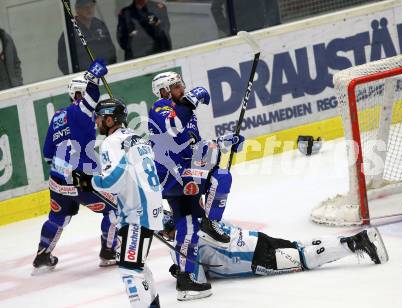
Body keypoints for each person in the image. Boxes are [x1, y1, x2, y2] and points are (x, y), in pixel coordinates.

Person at [148, 71, 245, 300]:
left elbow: (195, 145)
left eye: (181, 83)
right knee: (220, 177)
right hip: (173, 174)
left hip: (184, 174)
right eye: (176, 86)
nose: (182, 88)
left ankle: (187, 280)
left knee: (188, 225)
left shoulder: (186, 112)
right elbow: (172, 127)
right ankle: (211, 222)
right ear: (163, 91)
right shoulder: (161, 107)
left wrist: (222, 142)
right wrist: (190, 102)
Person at [32, 60, 117, 275]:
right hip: (82, 180)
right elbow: (92, 95)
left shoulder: (58, 116)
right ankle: (108, 252)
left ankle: (43, 254)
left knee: (57, 217)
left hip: (57, 180)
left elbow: (47, 153)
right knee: (116, 210)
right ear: (78, 95)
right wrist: (93, 76)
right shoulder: (83, 112)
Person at [78, 98, 163, 307]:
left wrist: (90, 181)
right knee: (137, 265)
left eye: (99, 117)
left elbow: (112, 181)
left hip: (137, 214)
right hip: (149, 210)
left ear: (109, 120)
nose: (96, 121)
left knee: (129, 269)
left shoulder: (111, 142)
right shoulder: (137, 138)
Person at [160, 211, 389, 281]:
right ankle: (351, 240)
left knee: (305, 259)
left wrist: (182, 270)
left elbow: (198, 277)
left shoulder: (182, 244)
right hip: (255, 238)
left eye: (166, 231)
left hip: (253, 259)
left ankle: (358, 242)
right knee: (297, 247)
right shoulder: (198, 218)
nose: (167, 236)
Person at [58, 0, 116, 75]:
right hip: (85, 77)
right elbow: (63, 62)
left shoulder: (100, 25)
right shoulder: (70, 31)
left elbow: (111, 49)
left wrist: (112, 67)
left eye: (91, 6)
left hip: (106, 72)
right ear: (77, 10)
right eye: (85, 7)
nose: (89, 9)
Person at [211, 0, 280, 37]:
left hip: (262, 29)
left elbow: (271, 3)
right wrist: (228, 29)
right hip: (240, 34)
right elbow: (215, 9)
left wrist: (272, 24)